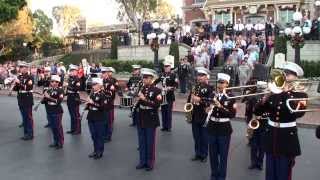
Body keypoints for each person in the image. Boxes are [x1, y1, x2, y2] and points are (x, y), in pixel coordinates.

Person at [254, 62, 308, 180]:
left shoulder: (300, 94)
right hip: (271, 136)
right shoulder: (274, 92)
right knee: (270, 174)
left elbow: (298, 113)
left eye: (289, 74)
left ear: (296, 77)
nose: (285, 76)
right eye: (284, 73)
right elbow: (258, 112)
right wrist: (266, 97)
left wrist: (285, 92)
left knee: (283, 174)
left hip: (287, 139)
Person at [205, 73, 236, 180]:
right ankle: (214, 175)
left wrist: (219, 106)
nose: (220, 84)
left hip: (224, 128)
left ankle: (222, 177)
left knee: (223, 156)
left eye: (222, 83)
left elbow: (232, 114)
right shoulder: (212, 94)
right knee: (213, 155)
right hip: (212, 126)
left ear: (227, 84)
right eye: (219, 82)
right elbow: (207, 107)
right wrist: (207, 109)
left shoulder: (231, 96)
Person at [135, 68, 162, 171]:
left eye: (146, 78)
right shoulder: (142, 89)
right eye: (143, 77)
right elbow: (139, 101)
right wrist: (137, 101)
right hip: (141, 116)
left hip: (151, 117)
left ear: (151, 78)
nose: (144, 79)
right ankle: (142, 161)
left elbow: (156, 105)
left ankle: (150, 162)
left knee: (150, 142)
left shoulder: (157, 91)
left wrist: (143, 99)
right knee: (141, 141)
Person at [188, 67, 213, 163]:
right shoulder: (195, 87)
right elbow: (189, 100)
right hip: (195, 114)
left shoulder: (210, 88)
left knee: (204, 136)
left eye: (202, 75)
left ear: (207, 77)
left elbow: (210, 101)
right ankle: (197, 153)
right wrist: (189, 104)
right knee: (196, 136)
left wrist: (200, 100)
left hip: (204, 115)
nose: (199, 77)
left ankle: (204, 154)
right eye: (199, 75)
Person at [86, 78, 111, 159]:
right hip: (91, 116)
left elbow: (103, 108)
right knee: (93, 135)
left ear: (100, 85)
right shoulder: (92, 94)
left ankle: (100, 151)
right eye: (93, 84)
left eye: (95, 84)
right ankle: (95, 150)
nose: (93, 86)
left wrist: (92, 103)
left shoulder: (103, 95)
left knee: (99, 135)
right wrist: (87, 105)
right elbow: (90, 105)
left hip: (99, 117)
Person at [153, 58, 178, 132]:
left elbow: (176, 85)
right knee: (163, 111)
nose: (166, 68)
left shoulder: (173, 75)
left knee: (168, 112)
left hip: (169, 96)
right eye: (165, 66)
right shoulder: (161, 75)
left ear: (170, 67)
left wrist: (170, 88)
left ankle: (169, 127)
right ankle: (164, 126)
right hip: (162, 96)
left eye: (167, 66)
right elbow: (155, 82)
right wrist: (156, 87)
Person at [12, 61, 34, 140]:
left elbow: (28, 88)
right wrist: (15, 84)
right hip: (20, 98)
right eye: (20, 67)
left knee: (28, 117)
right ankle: (26, 133)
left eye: (22, 67)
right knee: (24, 117)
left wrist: (19, 83)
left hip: (27, 98)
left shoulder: (30, 77)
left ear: (26, 68)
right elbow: (16, 89)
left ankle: (30, 134)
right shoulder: (20, 77)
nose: (20, 69)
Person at [42, 75, 64, 149]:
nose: (53, 83)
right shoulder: (49, 90)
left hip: (57, 111)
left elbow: (58, 101)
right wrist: (44, 98)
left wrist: (48, 97)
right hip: (49, 110)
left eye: (55, 82)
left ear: (58, 83)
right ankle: (55, 141)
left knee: (58, 127)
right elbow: (44, 102)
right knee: (53, 127)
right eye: (52, 81)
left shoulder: (60, 90)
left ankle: (60, 142)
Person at [102, 67, 122, 142]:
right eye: (102, 73)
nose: (103, 74)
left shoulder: (111, 82)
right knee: (104, 120)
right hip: (103, 104)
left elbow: (111, 95)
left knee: (108, 121)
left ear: (107, 74)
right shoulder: (102, 81)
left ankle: (108, 136)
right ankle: (104, 135)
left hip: (109, 104)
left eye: (104, 73)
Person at [66, 64, 81, 135]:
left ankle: (78, 130)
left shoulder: (77, 79)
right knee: (71, 114)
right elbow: (67, 89)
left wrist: (67, 86)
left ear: (76, 71)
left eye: (72, 71)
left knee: (76, 114)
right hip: (69, 97)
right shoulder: (70, 79)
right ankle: (73, 128)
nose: (71, 72)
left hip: (75, 97)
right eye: (70, 71)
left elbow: (76, 89)